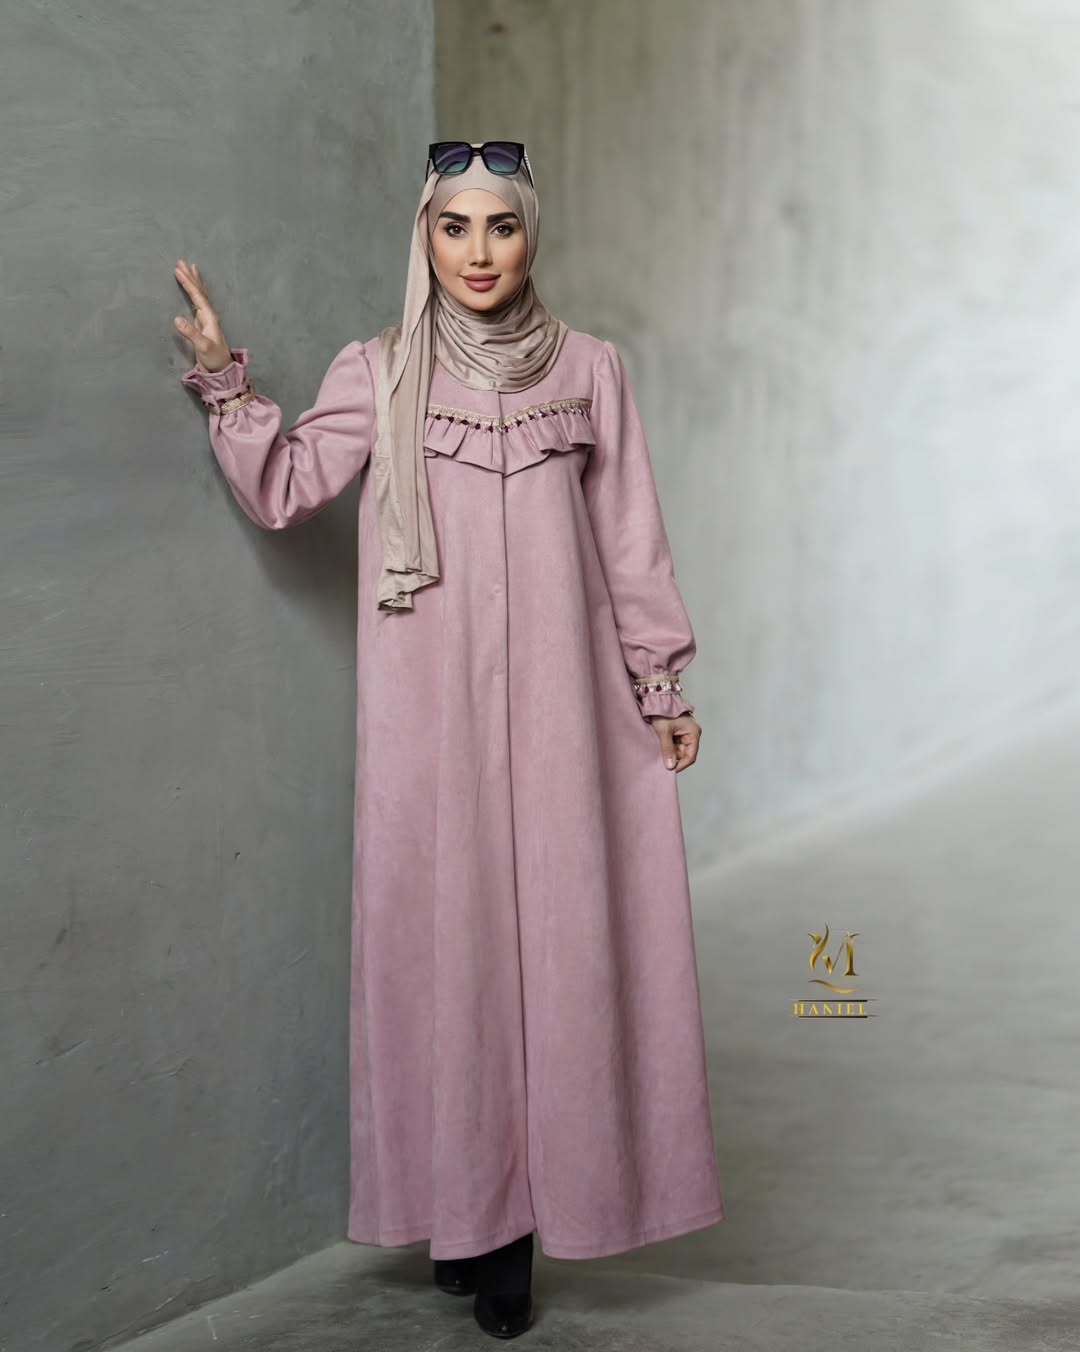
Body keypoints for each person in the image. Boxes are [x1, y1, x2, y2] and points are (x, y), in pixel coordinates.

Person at [173, 139, 726, 1340]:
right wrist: (225, 382)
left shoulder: (590, 369)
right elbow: (288, 486)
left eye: (502, 226)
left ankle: (528, 1226)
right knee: (449, 958)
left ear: (532, 237)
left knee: (565, 956)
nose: (479, 252)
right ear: (424, 238)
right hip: (431, 723)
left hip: (569, 716)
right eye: (454, 226)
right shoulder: (377, 368)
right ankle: (467, 1213)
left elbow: (631, 541)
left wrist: (661, 684)